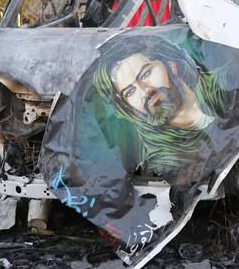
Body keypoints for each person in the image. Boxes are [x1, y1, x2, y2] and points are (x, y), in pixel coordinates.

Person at [93, 33, 228, 179]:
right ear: (126, 105)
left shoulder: (228, 85)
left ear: (171, 66)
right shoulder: (162, 157)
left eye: (145, 74)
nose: (145, 90)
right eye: (130, 91)